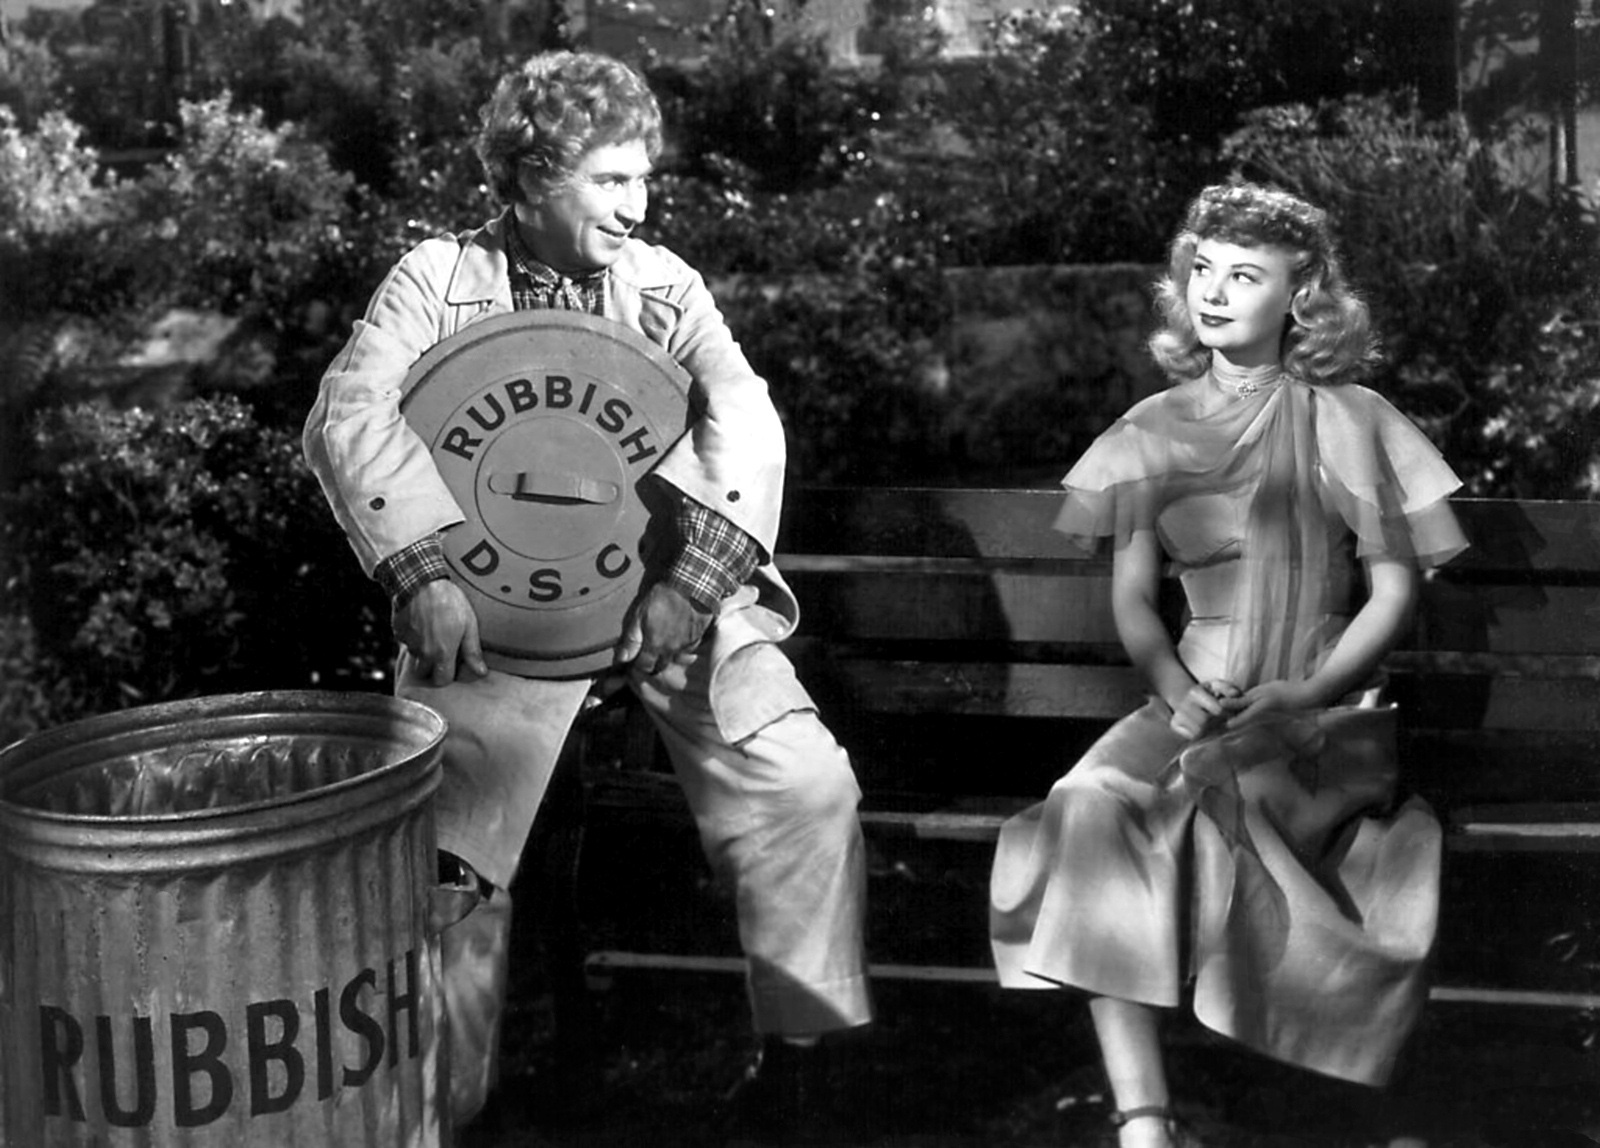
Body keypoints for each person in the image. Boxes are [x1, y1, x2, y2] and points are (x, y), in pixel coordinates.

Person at [303, 50, 871, 1142]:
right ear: (531, 178)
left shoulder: (665, 287)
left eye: (642, 177)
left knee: (806, 788)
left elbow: (744, 417)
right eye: (610, 180)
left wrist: (693, 587)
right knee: (448, 865)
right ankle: (451, 1114)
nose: (637, 204)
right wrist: (421, 572)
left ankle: (796, 1068)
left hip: (663, 603)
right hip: (497, 630)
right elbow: (351, 414)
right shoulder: (435, 279)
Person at [988, 181, 1470, 1148]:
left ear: (1301, 296)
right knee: (1088, 804)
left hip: (1319, 704)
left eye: (1245, 275)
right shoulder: (1149, 429)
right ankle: (1145, 1119)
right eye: (1202, 269)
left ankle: (1304, 1101)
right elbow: (1135, 601)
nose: (1212, 291)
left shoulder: (1348, 417)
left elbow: (1393, 591)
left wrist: (1307, 690)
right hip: (1190, 699)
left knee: (1210, 807)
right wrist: (1175, 690)